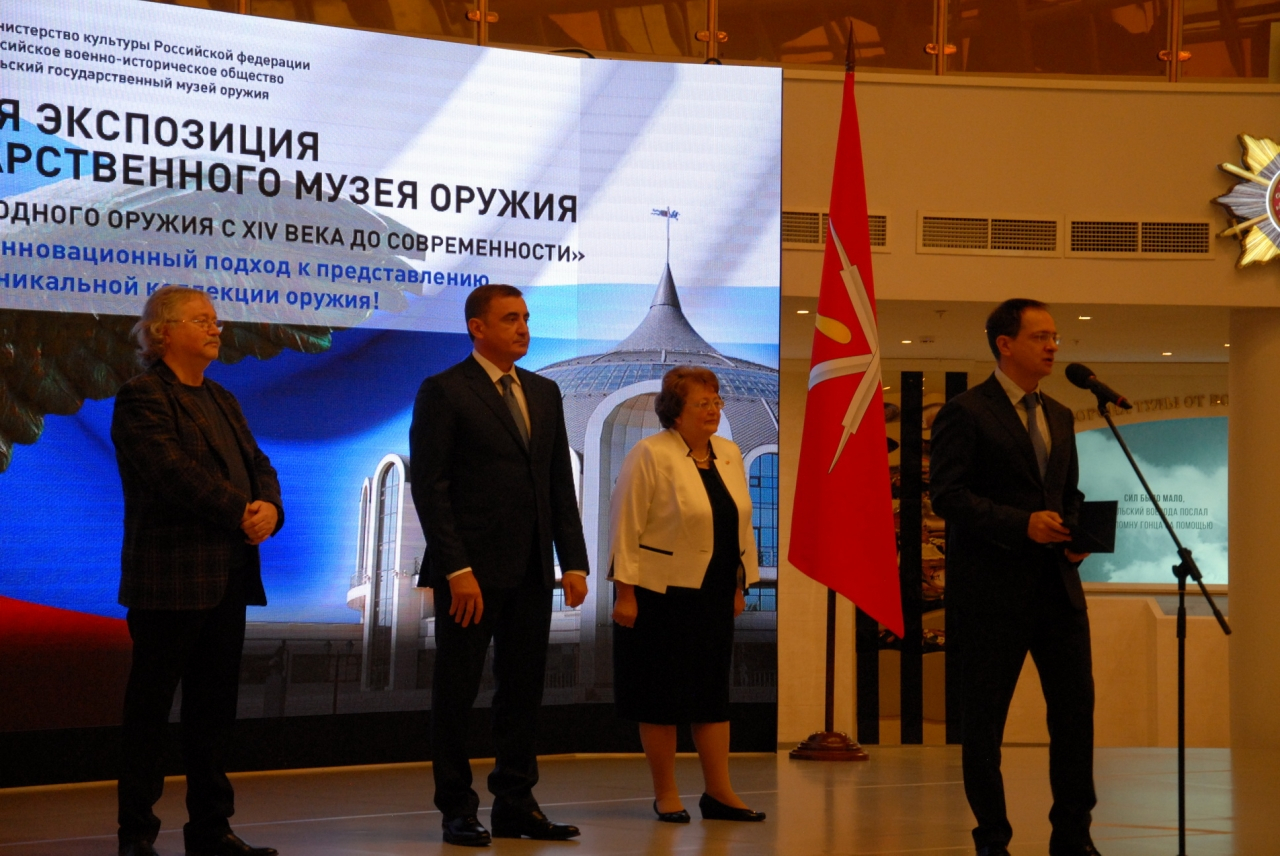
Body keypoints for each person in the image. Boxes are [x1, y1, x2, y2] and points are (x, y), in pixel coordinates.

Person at [409, 283, 590, 846]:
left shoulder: (544, 392)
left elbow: (557, 483)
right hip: (469, 574)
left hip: (532, 569)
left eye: (526, 317)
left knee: (522, 692)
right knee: (456, 693)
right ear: (477, 327)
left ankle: (516, 804)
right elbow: (431, 488)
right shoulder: (444, 390)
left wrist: (574, 561)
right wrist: (456, 569)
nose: (523, 328)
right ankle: (457, 809)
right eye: (510, 318)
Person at [112, 286, 283, 856]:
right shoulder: (142, 396)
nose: (217, 328)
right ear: (163, 332)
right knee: (150, 713)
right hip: (170, 581)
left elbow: (258, 463)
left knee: (213, 714)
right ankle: (137, 834)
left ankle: (211, 830)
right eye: (202, 320)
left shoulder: (222, 398)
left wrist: (270, 507)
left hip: (228, 578)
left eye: (216, 320)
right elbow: (171, 473)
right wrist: (242, 511)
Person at [929, 298, 1100, 856]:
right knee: (984, 727)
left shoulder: (1061, 414)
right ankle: (992, 840)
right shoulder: (966, 411)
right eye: (1040, 336)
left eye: (1055, 336)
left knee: (1075, 719)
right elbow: (948, 496)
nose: (1053, 346)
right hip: (991, 594)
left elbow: (1067, 493)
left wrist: (1075, 533)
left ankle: (1073, 837)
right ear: (1005, 344)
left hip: (1058, 591)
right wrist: (1020, 524)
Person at [608, 366, 765, 824]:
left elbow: (739, 525)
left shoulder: (729, 453)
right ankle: (667, 794)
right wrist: (625, 594)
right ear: (676, 412)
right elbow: (625, 526)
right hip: (658, 594)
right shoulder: (649, 453)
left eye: (716, 401)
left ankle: (719, 793)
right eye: (702, 403)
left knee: (711, 696)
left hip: (713, 593)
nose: (713, 409)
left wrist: (739, 583)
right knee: (660, 698)